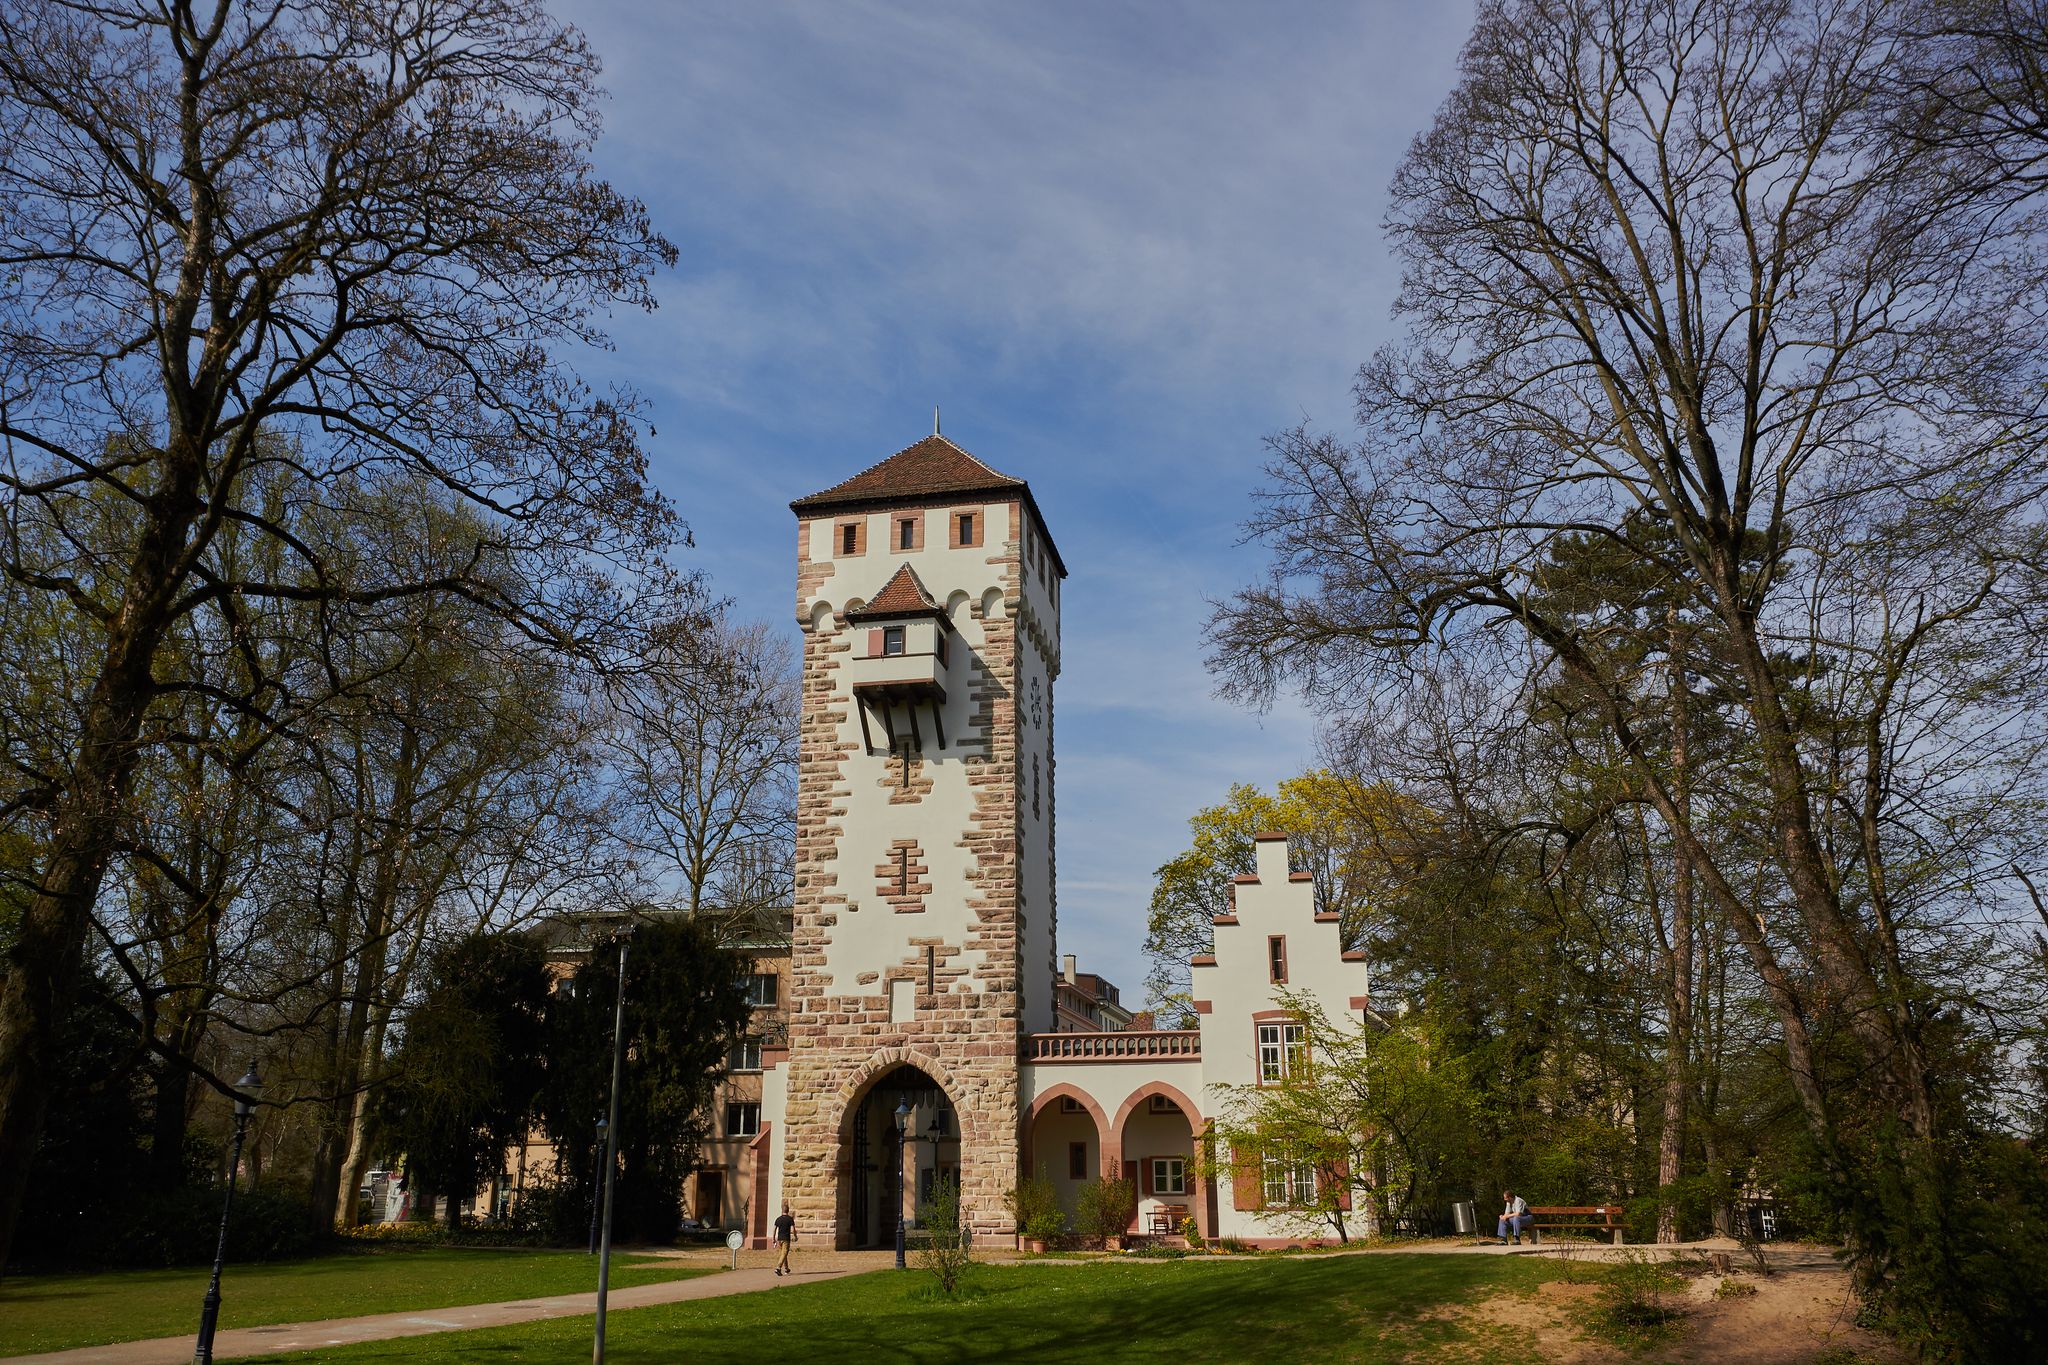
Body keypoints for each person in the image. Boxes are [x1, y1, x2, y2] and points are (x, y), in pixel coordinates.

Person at [773, 1203, 796, 1276]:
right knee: (784, 1253)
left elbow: (774, 1229)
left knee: (784, 1253)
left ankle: (786, 1268)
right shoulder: (790, 1219)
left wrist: (774, 1239)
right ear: (788, 1211)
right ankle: (778, 1268)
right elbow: (792, 1230)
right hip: (786, 1239)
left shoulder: (778, 1219)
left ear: (782, 1210)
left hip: (779, 1239)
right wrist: (795, 1236)